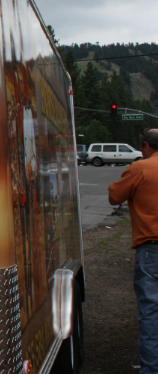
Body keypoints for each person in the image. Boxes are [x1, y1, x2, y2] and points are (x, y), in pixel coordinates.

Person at [108, 128, 158, 372]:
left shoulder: (139, 169)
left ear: (146, 146)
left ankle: (151, 369)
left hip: (151, 249)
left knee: (150, 314)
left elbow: (114, 196)